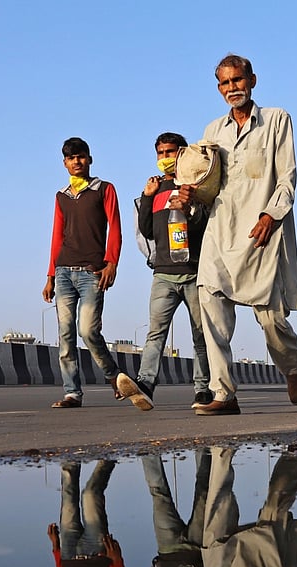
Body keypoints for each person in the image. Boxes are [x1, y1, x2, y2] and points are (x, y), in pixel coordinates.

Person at [180, 54, 297, 416]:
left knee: (270, 319)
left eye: (237, 80)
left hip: (260, 232)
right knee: (210, 299)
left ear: (252, 80)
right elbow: (209, 185)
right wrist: (192, 193)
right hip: (221, 229)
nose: (232, 88)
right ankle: (224, 392)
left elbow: (287, 178)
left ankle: (293, 366)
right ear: (218, 88)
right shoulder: (212, 131)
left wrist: (271, 215)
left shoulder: (276, 120)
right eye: (225, 83)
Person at [43, 137, 130, 409]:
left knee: (88, 331)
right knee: (65, 334)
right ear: (65, 163)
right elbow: (57, 236)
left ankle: (113, 376)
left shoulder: (104, 189)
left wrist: (111, 263)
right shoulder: (61, 196)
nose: (76, 161)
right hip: (63, 272)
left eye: (81, 156)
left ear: (89, 159)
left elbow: (115, 228)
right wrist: (50, 276)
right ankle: (72, 393)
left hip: (93, 272)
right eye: (70, 158)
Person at [129, 132, 213, 411]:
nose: (165, 158)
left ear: (182, 154)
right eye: (160, 153)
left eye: (171, 152)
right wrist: (146, 196)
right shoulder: (157, 190)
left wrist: (188, 207)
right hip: (163, 274)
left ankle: (202, 389)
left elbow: (203, 225)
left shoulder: (193, 185)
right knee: (156, 333)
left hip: (193, 272)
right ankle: (144, 385)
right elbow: (148, 230)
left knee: (200, 334)